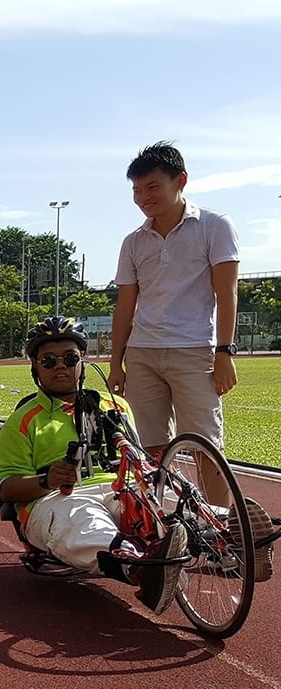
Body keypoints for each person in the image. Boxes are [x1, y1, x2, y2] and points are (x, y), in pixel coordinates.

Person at [0, 317, 192, 610]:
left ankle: (234, 532)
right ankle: (141, 568)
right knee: (84, 518)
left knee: (176, 507)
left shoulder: (116, 406)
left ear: (83, 362)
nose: (60, 366)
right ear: (35, 367)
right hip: (59, 499)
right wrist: (46, 480)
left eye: (70, 358)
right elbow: (6, 490)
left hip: (120, 489)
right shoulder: (22, 421)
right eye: (48, 360)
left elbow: (136, 456)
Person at [108, 141, 241, 464]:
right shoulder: (133, 241)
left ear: (180, 181)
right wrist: (116, 363)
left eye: (152, 187)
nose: (143, 198)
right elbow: (125, 307)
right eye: (137, 191)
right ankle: (158, 514)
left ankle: (219, 514)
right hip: (142, 355)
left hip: (194, 351)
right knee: (147, 449)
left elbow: (227, 294)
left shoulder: (214, 227)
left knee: (205, 446)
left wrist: (224, 352)